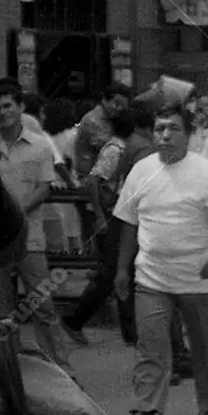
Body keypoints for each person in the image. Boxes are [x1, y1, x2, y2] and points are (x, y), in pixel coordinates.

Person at [111, 102, 208, 415]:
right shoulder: (141, 170)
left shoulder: (205, 171)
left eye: (174, 129)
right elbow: (127, 222)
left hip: (200, 280)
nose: (165, 135)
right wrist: (121, 269)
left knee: (206, 349)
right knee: (150, 346)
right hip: (151, 278)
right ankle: (145, 413)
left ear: (189, 134)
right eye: (159, 129)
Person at [0, 84, 71, 367]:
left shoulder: (39, 145)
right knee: (0, 312)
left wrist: (14, 214)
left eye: (8, 106)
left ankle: (62, 371)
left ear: (20, 108)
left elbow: (44, 188)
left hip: (29, 239)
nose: (3, 113)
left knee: (41, 305)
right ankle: (9, 373)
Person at [62, 105, 147, 347]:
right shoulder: (115, 149)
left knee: (121, 274)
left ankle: (130, 333)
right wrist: (100, 216)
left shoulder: (125, 147)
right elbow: (93, 181)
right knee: (112, 274)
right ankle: (75, 319)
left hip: (121, 217)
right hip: (114, 218)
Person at [72, 80, 132, 181]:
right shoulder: (93, 120)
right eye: (117, 104)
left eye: (124, 107)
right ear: (104, 99)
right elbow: (108, 148)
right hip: (90, 177)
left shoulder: (112, 118)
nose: (120, 109)